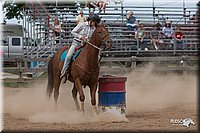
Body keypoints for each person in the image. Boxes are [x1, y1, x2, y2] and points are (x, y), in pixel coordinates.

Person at [60, 13, 101, 78]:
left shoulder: (94, 29)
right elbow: (73, 32)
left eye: (95, 23)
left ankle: (94, 72)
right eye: (94, 22)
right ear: (90, 20)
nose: (94, 24)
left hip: (86, 45)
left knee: (97, 57)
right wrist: (80, 37)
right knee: (69, 56)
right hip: (76, 43)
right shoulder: (82, 25)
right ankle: (64, 71)